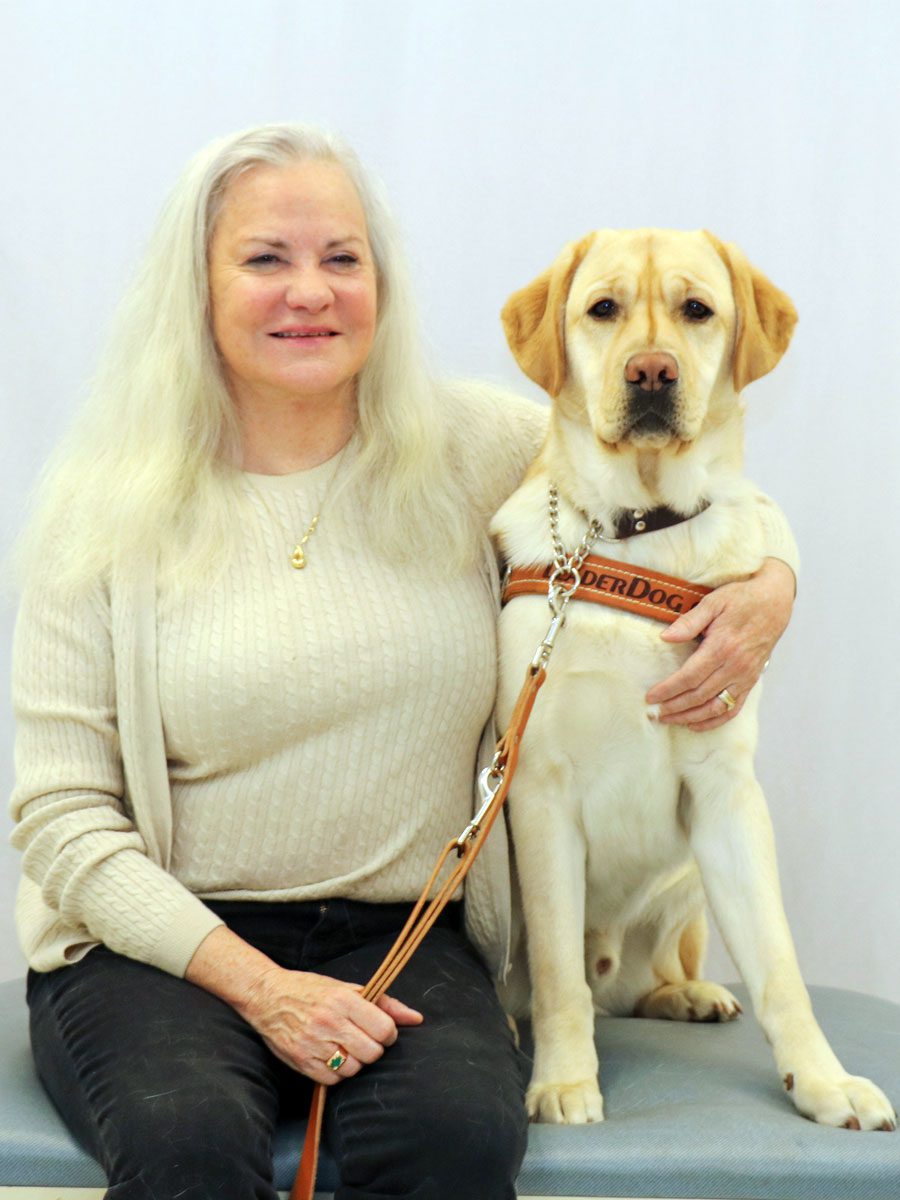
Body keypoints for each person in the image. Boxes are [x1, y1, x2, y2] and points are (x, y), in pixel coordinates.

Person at [10, 123, 798, 1200]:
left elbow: (671, 489)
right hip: (160, 947)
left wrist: (774, 583)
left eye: (343, 259)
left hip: (406, 929)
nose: (311, 292)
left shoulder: (475, 446)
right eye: (265, 259)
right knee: (185, 1143)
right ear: (193, 288)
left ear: (381, 286)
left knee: (460, 1145)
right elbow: (59, 819)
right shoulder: (97, 509)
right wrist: (258, 986)